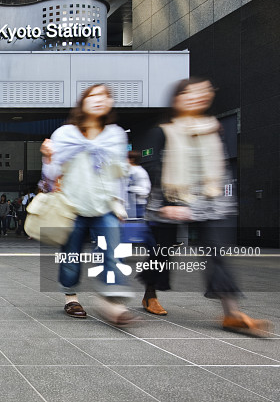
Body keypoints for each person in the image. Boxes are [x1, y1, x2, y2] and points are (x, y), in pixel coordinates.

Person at [138, 78, 271, 336]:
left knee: (216, 252)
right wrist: (168, 202)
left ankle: (231, 314)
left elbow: (217, 166)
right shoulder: (163, 131)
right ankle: (150, 293)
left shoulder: (213, 128)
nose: (198, 97)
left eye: (203, 93)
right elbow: (153, 165)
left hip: (208, 202)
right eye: (190, 93)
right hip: (171, 200)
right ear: (177, 99)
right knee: (161, 254)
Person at [41, 84, 132, 325]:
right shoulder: (65, 134)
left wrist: (121, 203)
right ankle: (71, 297)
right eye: (94, 95)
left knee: (113, 254)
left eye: (105, 96)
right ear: (83, 102)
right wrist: (48, 156)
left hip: (105, 206)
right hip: (73, 207)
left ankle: (112, 304)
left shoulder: (115, 134)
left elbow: (120, 172)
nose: (100, 100)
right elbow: (51, 174)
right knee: (71, 257)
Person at [127, 151, 151, 218]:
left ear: (132, 159)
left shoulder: (140, 172)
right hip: (128, 206)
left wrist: (128, 189)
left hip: (138, 206)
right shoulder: (128, 171)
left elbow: (144, 190)